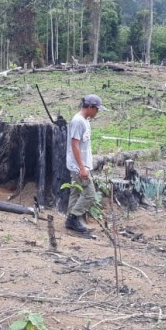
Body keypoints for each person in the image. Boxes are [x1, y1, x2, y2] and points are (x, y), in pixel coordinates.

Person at [65, 94, 107, 239]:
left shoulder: (84, 121)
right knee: (89, 193)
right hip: (78, 166)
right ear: (90, 107)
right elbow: (74, 145)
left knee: (76, 192)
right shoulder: (78, 121)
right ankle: (73, 217)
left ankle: (71, 219)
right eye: (96, 109)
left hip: (80, 165)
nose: (97, 112)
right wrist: (82, 167)